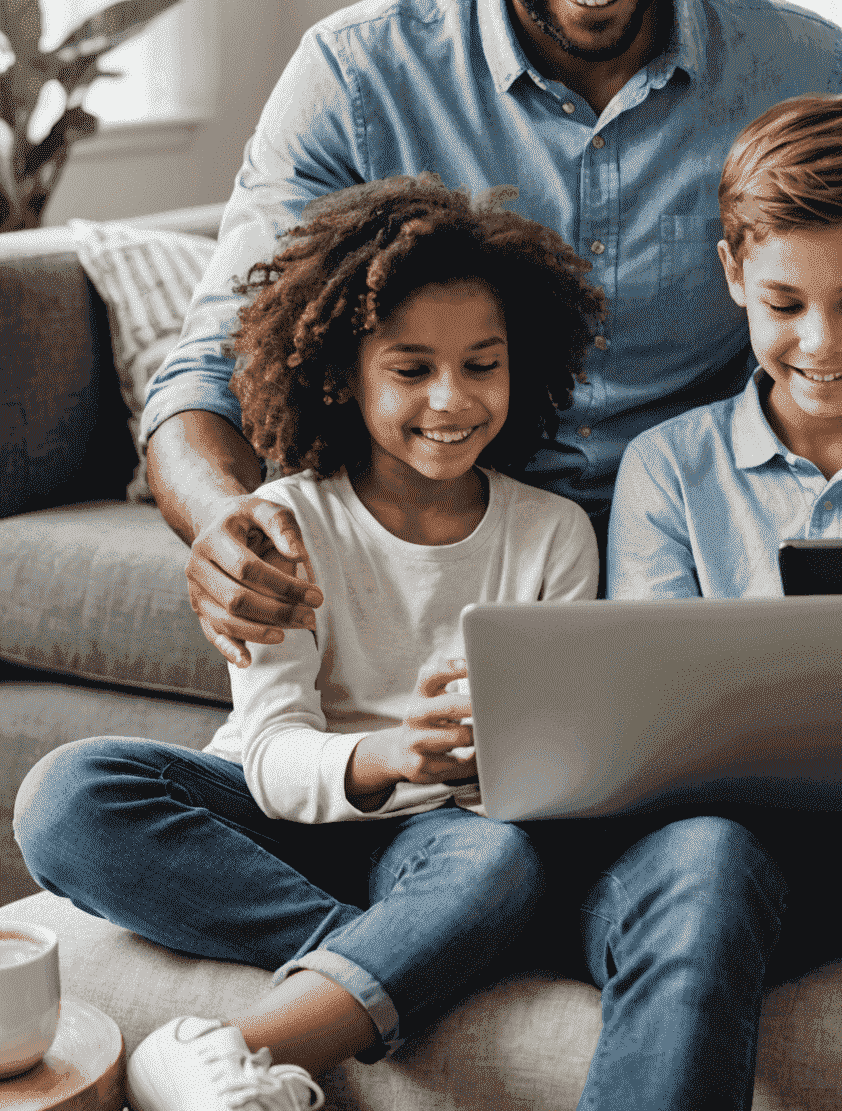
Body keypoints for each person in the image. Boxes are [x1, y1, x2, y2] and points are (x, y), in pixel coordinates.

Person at [141, 0, 842, 662]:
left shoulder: (802, 69)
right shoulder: (355, 78)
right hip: (447, 564)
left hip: (709, 560)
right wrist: (224, 520)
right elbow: (206, 370)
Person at [15, 176, 795, 1111]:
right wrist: (383, 755)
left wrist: (468, 764)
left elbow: (551, 778)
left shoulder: (550, 533)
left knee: (498, 857)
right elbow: (266, 757)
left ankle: (265, 1033)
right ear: (345, 373)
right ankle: (423, 947)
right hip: (296, 825)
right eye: (412, 368)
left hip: (452, 836)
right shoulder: (284, 522)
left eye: (482, 365)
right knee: (67, 794)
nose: (451, 399)